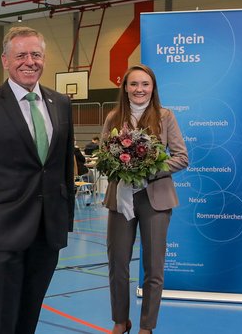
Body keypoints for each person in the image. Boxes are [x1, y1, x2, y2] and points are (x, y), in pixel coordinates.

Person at [0, 26, 74, 334]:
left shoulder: (61, 104)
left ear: (44, 59)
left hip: (47, 231)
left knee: (29, 315)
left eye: (35, 54)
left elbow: (64, 168)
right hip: (2, 233)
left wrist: (65, 221)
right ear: (5, 61)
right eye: (21, 55)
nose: (29, 61)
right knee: (1, 319)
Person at [101, 64, 188, 334]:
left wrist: (149, 170)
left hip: (155, 200)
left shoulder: (165, 116)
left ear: (153, 88)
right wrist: (122, 167)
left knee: (153, 267)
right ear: (125, 87)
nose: (139, 89)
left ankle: (146, 326)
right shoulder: (114, 117)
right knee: (117, 263)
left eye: (145, 84)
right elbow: (104, 159)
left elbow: (182, 157)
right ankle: (120, 321)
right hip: (120, 200)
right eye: (134, 84)